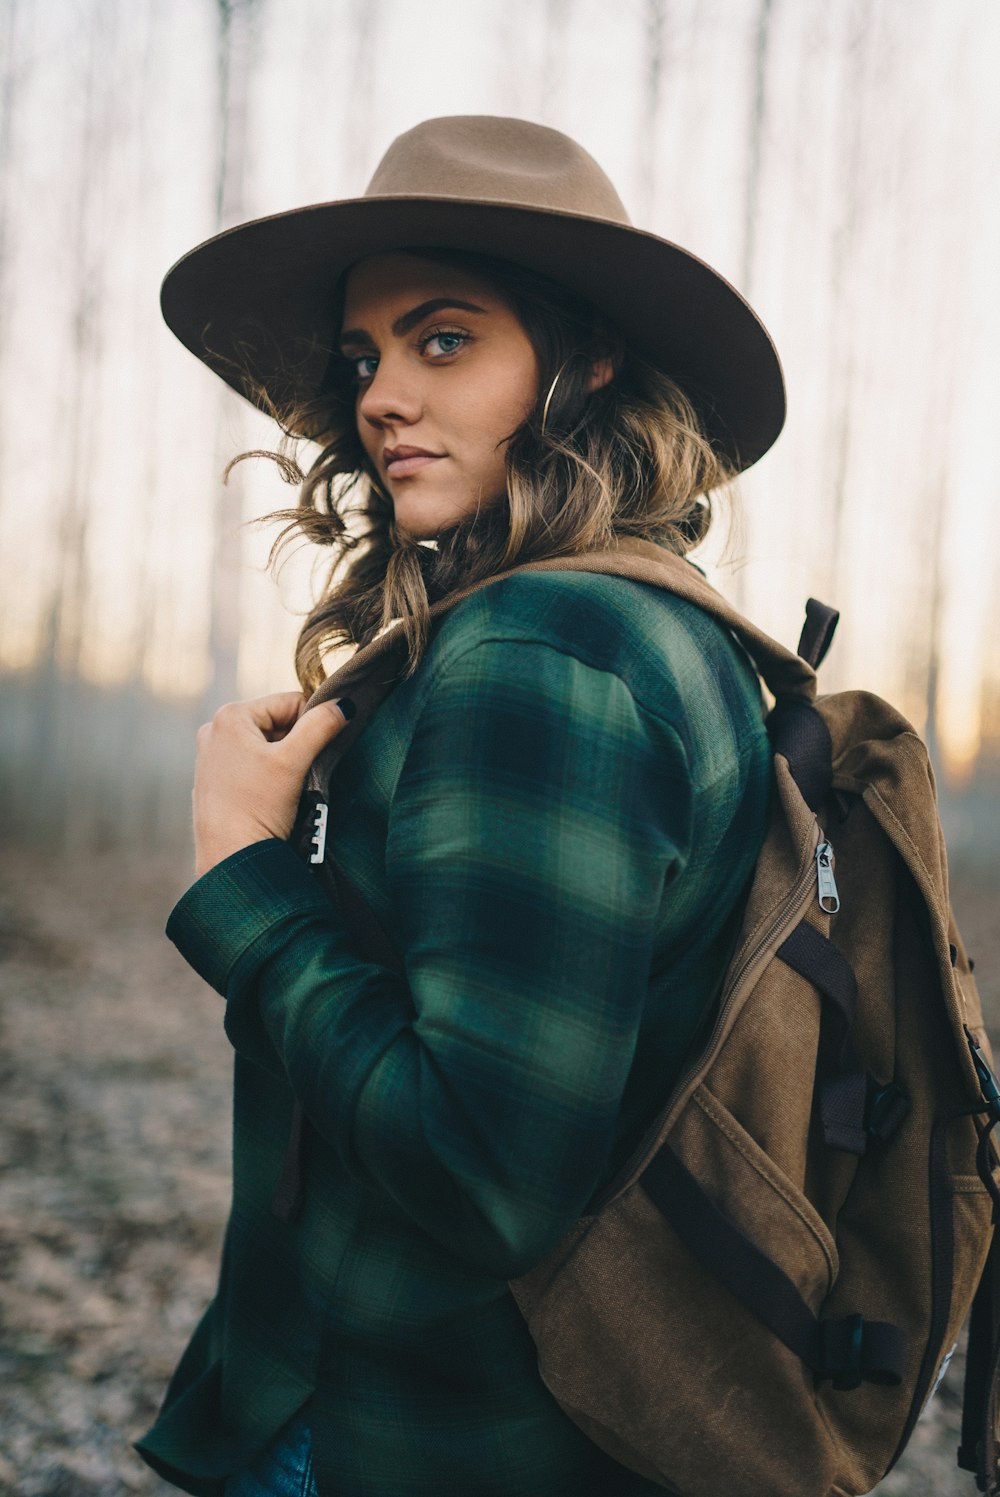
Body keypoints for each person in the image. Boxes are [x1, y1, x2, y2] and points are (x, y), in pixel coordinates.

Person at [136, 115, 785, 1497]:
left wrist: (243, 871)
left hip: (411, 1429)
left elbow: (483, 1168)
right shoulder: (659, 626)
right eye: (365, 355)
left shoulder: (540, 652)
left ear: (586, 355)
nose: (377, 396)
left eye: (444, 340)